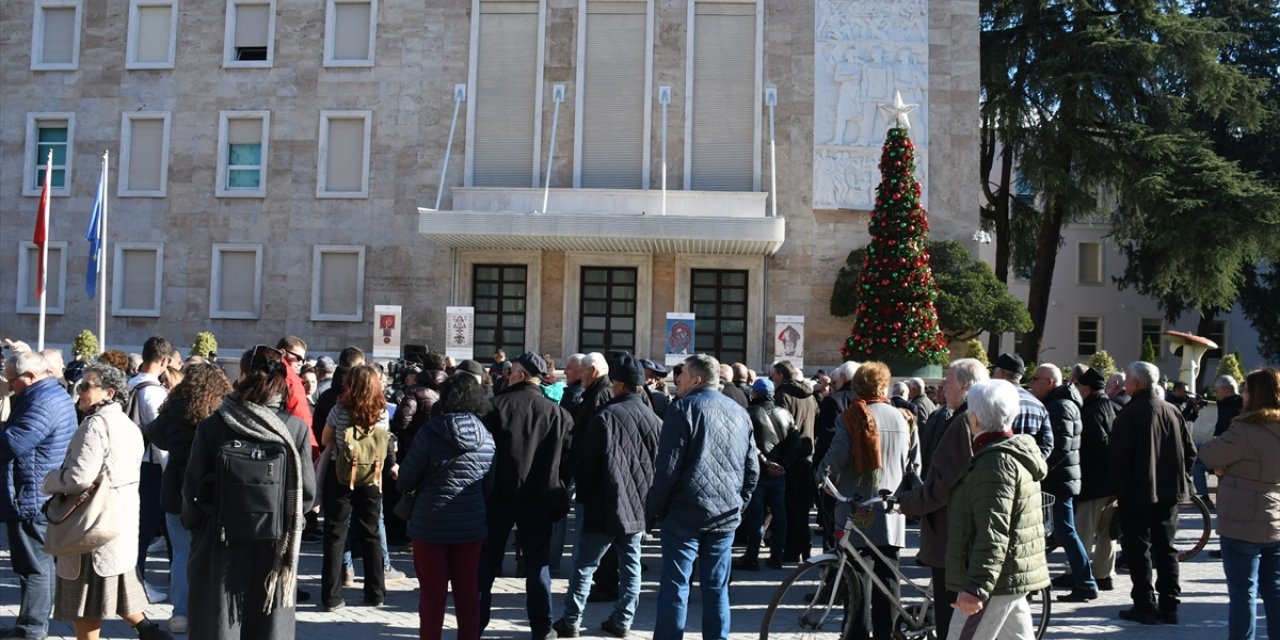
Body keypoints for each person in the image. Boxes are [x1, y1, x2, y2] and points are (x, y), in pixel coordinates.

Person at [182, 346, 316, 639]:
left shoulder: (214, 423)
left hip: (220, 537)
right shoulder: (293, 428)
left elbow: (191, 488)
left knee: (218, 621)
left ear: (241, 376)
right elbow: (307, 493)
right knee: (269, 622)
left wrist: (196, 526)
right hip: (276, 540)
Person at [42, 363, 173, 640]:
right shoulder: (127, 425)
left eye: (87, 386)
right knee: (111, 592)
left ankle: (148, 631)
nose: (80, 391)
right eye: (80, 386)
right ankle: (149, 631)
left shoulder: (94, 426)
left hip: (90, 526)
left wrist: (50, 479)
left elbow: (78, 478)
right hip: (117, 524)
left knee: (85, 601)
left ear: (109, 392)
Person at [646, 354, 758, 640]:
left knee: (675, 586)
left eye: (682, 373)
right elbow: (752, 469)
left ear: (696, 379)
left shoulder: (683, 409)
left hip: (685, 513)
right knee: (716, 587)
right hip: (724, 514)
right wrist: (738, 504)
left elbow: (667, 468)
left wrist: (653, 511)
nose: (677, 379)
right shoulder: (739, 411)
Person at [553, 355, 661, 638]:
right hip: (638, 505)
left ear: (621, 384)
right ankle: (623, 620)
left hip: (603, 503)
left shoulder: (606, 416)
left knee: (585, 565)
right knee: (631, 565)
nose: (612, 386)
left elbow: (586, 466)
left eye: (614, 382)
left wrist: (583, 496)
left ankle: (571, 620)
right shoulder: (655, 420)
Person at [817, 361, 920, 640]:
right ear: (884, 386)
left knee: (855, 578)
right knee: (888, 576)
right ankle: (886, 633)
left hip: (856, 509)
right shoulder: (905, 417)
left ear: (858, 387)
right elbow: (915, 467)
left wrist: (821, 477)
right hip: (892, 510)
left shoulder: (852, 416)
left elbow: (834, 461)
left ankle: (856, 634)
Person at [945, 379, 1051, 640]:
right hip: (1009, 576)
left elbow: (993, 532)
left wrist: (976, 588)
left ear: (973, 419)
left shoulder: (995, 462)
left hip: (995, 581)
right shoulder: (1009, 454)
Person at [478, 352, 573, 639]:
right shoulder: (558, 415)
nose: (507, 376)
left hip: (498, 499)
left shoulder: (494, 408)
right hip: (539, 500)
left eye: (510, 372)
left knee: (486, 566)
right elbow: (567, 463)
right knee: (537, 566)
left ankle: (475, 623)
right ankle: (542, 627)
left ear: (519, 374)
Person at [398, 373, 496, 640]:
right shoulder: (487, 438)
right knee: (467, 592)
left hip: (430, 525)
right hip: (471, 526)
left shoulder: (430, 432)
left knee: (432, 595)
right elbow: (489, 486)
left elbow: (406, 478)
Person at [898, 358, 987, 635]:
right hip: (953, 532)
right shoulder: (965, 417)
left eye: (947, 382)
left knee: (953, 622)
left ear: (963, 386)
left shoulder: (963, 422)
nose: (942, 388)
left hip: (951, 535)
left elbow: (944, 485)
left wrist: (908, 504)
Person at [146, 363, 234, 634]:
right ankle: (211, 611)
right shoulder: (223, 411)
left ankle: (181, 614)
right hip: (212, 490)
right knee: (215, 554)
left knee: (182, 554)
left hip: (176, 489)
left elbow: (155, 434)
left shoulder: (175, 408)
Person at [1109, 361, 1197, 625]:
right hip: (1169, 493)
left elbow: (1117, 457)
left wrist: (1118, 485)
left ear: (1136, 383)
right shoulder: (1172, 411)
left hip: (1137, 493)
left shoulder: (1130, 413)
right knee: (1166, 548)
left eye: (1127, 378)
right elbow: (1190, 452)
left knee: (1139, 549)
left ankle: (1145, 604)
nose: (1125, 383)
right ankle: (1169, 606)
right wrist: (1180, 478)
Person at [1197, 368, 1280, 640]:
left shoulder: (1244, 429)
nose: (1242, 395)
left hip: (1242, 521)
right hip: (1275, 518)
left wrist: (1226, 469)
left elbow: (1208, 453)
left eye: (1245, 390)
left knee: (1243, 592)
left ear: (1253, 395)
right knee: (1274, 589)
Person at [2, 351, 78, 639]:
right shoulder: (45, 394)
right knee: (38, 564)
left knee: (33, 566)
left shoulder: (43, 400)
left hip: (32, 494)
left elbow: (14, 443)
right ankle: (31, 625)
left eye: (12, 382)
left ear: (30, 377)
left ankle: (32, 629)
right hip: (37, 490)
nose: (10, 387)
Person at [320, 364, 395, 610]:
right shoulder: (382, 412)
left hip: (340, 475)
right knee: (370, 532)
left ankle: (331, 597)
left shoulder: (340, 408)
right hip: (372, 477)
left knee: (335, 534)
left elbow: (324, 438)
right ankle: (376, 594)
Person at [1028, 363, 1097, 602]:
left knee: (1065, 532)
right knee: (1058, 533)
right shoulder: (1062, 402)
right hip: (1060, 480)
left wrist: (1039, 471)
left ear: (1049, 381)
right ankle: (1037, 581)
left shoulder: (1060, 405)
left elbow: (1057, 448)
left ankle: (1086, 583)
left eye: (1035, 379)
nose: (1031, 383)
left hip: (1058, 482)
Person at [1061, 367, 1119, 593]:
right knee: (1106, 534)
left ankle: (1080, 577)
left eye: (1078, 386)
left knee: (1083, 533)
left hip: (1093, 483)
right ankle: (1104, 575)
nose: (1076, 390)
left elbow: (1095, 445)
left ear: (1087, 388)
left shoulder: (1090, 411)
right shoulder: (1111, 406)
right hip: (1111, 483)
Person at [129, 336, 176, 602]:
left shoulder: (130, 384)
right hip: (152, 470)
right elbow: (162, 439)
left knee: (140, 530)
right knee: (144, 531)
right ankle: (136, 587)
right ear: (165, 361)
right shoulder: (154, 391)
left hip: (134, 466)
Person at [734, 377, 796, 571]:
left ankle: (752, 557)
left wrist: (767, 463)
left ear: (755, 394)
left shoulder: (749, 412)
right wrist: (782, 465)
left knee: (756, 516)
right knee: (779, 515)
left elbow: (748, 443)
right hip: (779, 474)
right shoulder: (786, 414)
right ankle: (776, 556)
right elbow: (795, 443)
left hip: (758, 472)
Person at [773, 359, 819, 563]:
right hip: (807, 456)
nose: (771, 379)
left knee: (789, 507)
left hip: (790, 458)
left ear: (781, 376)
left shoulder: (783, 395)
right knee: (802, 507)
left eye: (773, 375)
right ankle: (805, 548)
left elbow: (779, 428)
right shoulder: (810, 397)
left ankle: (792, 550)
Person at [815, 361, 859, 550]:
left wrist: (821, 471)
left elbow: (825, 437)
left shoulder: (834, 400)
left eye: (833, 382)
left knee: (832, 520)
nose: (832, 386)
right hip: (860, 468)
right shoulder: (865, 400)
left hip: (836, 468)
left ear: (842, 378)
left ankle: (831, 560)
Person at [990, 353, 1053, 459]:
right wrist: (1033, 464)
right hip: (1028, 472)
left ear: (1000, 373)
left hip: (999, 468)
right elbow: (1047, 443)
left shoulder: (994, 400)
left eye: (993, 372)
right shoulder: (1038, 404)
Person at [1194, 375, 1244, 510]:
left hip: (1226, 448)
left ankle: (1204, 499)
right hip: (1232, 448)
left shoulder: (1229, 406)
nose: (1216, 394)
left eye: (1217, 391)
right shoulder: (1236, 402)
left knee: (1197, 463)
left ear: (1224, 389)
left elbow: (1224, 431)